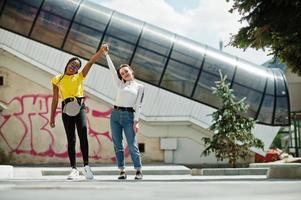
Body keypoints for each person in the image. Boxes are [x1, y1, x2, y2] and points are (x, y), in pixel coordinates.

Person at [49, 48, 104, 180]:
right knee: (71, 139)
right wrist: (51, 117)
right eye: (72, 64)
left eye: (76, 66)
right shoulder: (57, 79)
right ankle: (74, 169)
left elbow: (90, 62)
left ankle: (86, 167)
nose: (73, 67)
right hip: (66, 108)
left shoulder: (79, 76)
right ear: (67, 64)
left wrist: (100, 52)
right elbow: (55, 99)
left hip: (79, 107)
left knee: (83, 134)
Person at [101, 43, 144, 180]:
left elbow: (139, 105)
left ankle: (138, 170)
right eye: (122, 73)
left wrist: (136, 122)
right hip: (115, 115)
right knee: (117, 144)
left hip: (129, 116)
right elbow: (112, 71)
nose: (124, 74)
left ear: (131, 70)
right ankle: (122, 170)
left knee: (132, 144)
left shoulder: (140, 87)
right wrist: (106, 54)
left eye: (126, 71)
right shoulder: (120, 84)